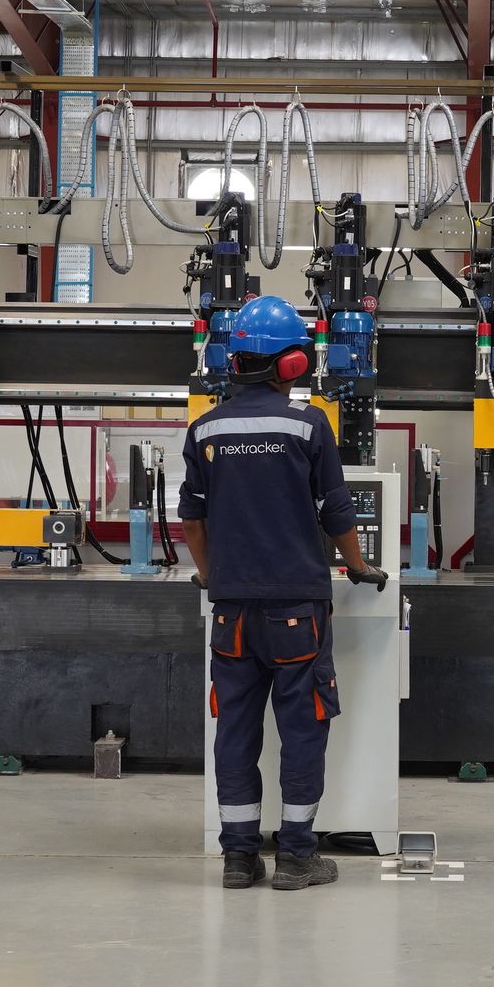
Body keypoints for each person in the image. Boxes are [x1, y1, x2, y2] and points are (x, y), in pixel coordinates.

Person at [179, 296, 386, 890]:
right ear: (290, 363)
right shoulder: (307, 424)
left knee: (236, 730)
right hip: (297, 609)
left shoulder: (206, 428)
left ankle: (239, 859)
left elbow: (191, 518)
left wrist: (212, 573)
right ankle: (297, 856)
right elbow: (336, 509)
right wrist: (357, 565)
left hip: (232, 614)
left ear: (233, 358)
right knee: (302, 729)